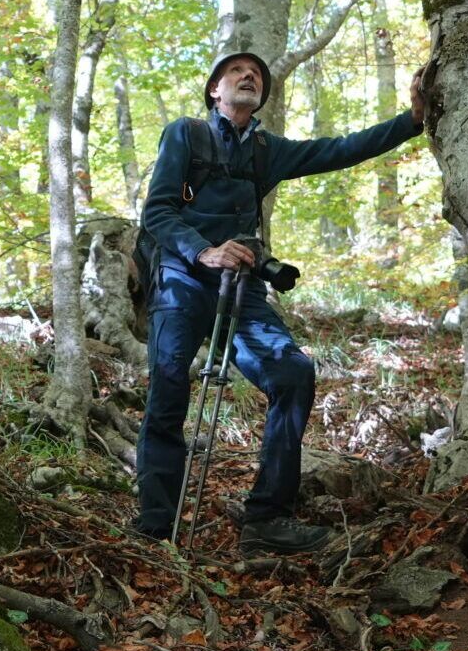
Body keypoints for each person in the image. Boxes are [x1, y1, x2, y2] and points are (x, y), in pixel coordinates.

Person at [134, 51, 428, 554]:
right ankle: (155, 526)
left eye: (257, 76)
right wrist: (203, 251)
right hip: (182, 278)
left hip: (242, 288)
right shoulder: (186, 134)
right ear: (214, 91)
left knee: (293, 374)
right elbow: (157, 211)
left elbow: (340, 149)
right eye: (236, 73)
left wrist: (413, 120)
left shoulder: (268, 150)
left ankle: (267, 518)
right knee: (167, 386)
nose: (248, 77)